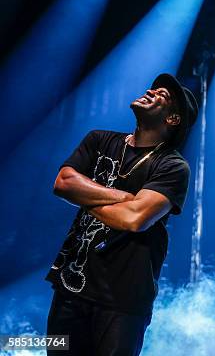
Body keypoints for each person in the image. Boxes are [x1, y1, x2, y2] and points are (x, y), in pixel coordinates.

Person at [46, 73, 198, 355]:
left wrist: (85, 195)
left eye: (162, 96)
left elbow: (135, 219)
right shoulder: (99, 140)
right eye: (153, 89)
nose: (152, 92)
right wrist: (124, 198)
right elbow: (63, 182)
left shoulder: (173, 166)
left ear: (173, 119)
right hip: (69, 289)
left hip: (123, 302)